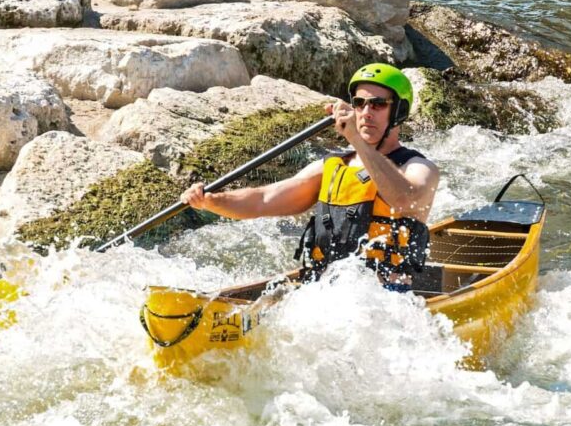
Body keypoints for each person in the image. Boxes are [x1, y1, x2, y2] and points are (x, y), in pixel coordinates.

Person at [180, 64, 440, 292]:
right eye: (359, 103)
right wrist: (211, 201)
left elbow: (405, 199)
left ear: (399, 112)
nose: (366, 112)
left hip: (387, 296)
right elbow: (264, 200)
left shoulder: (418, 167)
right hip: (323, 292)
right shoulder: (333, 166)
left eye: (378, 104)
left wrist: (356, 140)